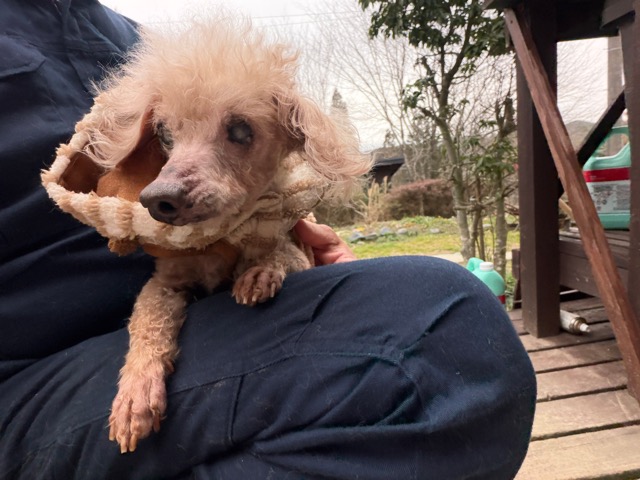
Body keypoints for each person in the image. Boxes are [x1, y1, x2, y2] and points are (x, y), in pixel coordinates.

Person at [0, 1, 536, 479]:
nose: (170, 177)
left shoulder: (139, 39)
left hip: (230, 325)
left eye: (239, 131)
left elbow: (282, 218)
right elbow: (166, 284)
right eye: (168, 134)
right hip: (30, 384)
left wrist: (316, 271)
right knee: (440, 335)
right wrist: (145, 360)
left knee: (438, 333)